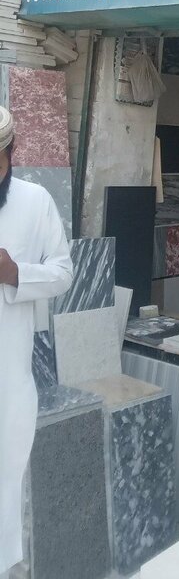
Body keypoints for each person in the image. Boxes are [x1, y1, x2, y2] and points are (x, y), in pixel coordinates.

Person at [0, 107, 72, 574]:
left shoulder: (35, 201)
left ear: (10, 151)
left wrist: (15, 273)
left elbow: (63, 273)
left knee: (5, 490)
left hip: (8, 383)